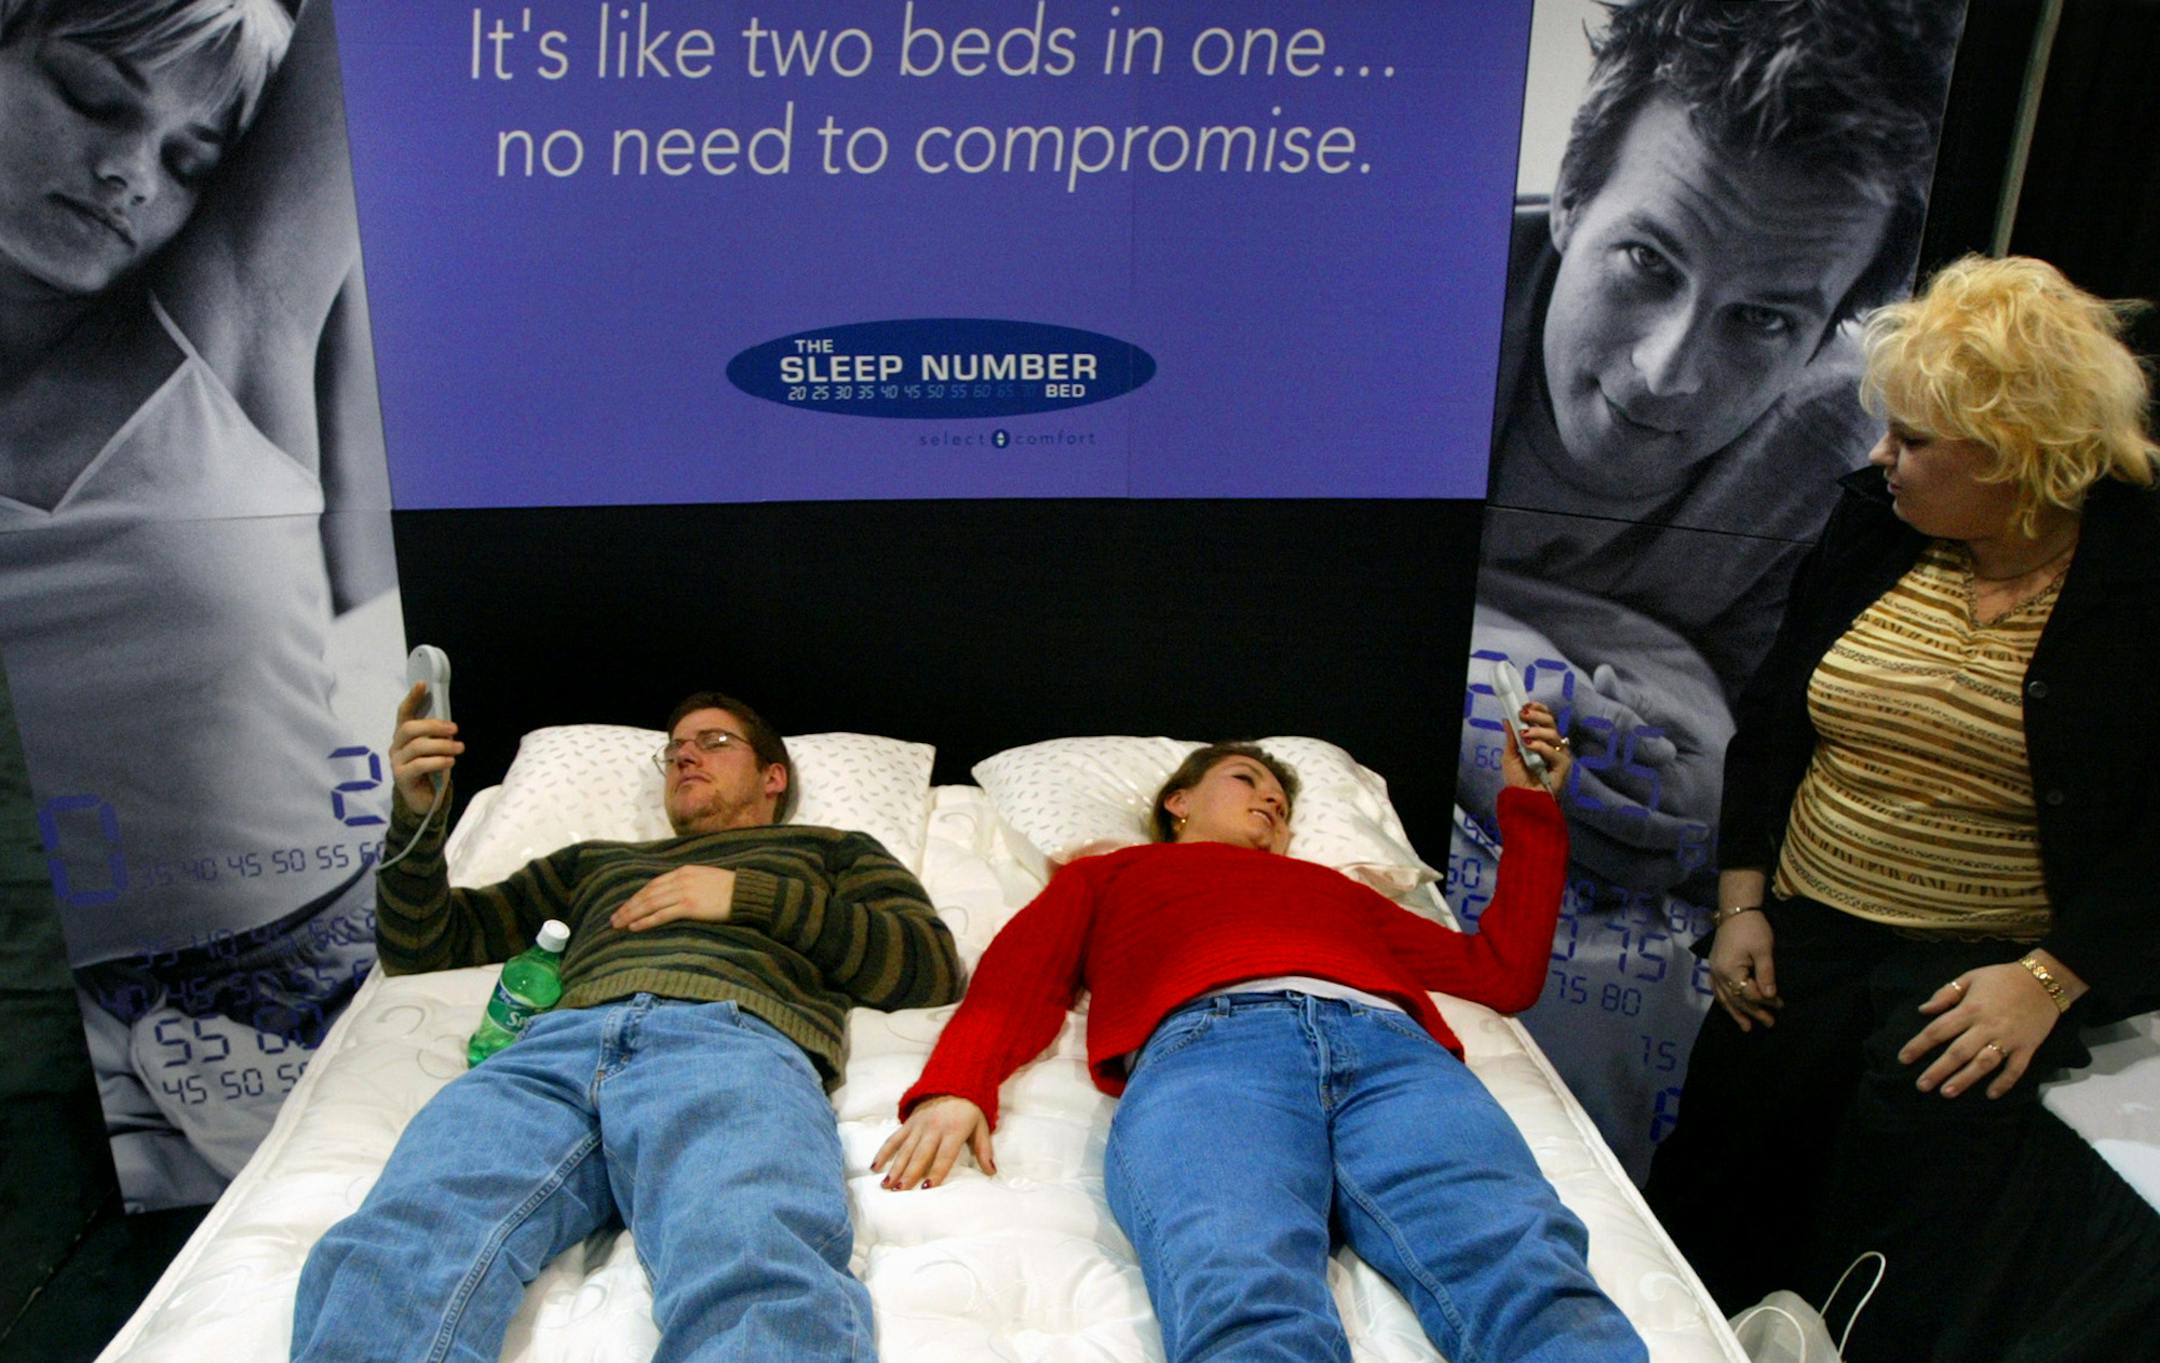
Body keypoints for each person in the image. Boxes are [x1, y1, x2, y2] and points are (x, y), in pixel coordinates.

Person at [1643, 255, 2160, 1361]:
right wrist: (1741, 899)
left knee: (1890, 1248)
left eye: (1916, 440)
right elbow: (1778, 710)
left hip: (1977, 971)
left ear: (2020, 457)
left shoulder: (2133, 586)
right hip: (1803, 936)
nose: (1883, 458)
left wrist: (2050, 978)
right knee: (1720, 1199)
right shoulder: (1874, 529)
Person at [875, 720, 1647, 1363]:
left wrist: (1530, 804)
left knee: (1529, 1273)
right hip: (1213, 1052)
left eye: (1282, 794)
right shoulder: (1113, 873)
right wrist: (957, 1083)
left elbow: (1502, 973)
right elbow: (1021, 972)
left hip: (1392, 1053)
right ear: (1178, 801)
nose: (1273, 797)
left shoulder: (1337, 888)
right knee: (1247, 1294)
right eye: (1247, 778)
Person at [0, 0, 398, 1208]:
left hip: (311, 969)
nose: (130, 170)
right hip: (45, 1024)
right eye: (95, 95)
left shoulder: (226, 326)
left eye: (191, 157)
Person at [290, 688, 965, 1362]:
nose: (685, 756)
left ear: (773, 775)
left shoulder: (831, 850)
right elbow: (424, 945)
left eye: (713, 742)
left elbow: (927, 966)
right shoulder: (598, 862)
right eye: (673, 750)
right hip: (554, 1047)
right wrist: (417, 819)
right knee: (401, 1243)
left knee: (753, 1257)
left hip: (728, 1041)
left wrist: (744, 895)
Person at [1463, 0, 1962, 891]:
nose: (1667, 372)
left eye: (1765, 317)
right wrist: (1483, 667)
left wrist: (1697, 801)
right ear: (1573, 201)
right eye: (1648, 261)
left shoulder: (1851, 461)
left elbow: (1742, 753)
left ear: (1826, 338)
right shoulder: (1402, 303)